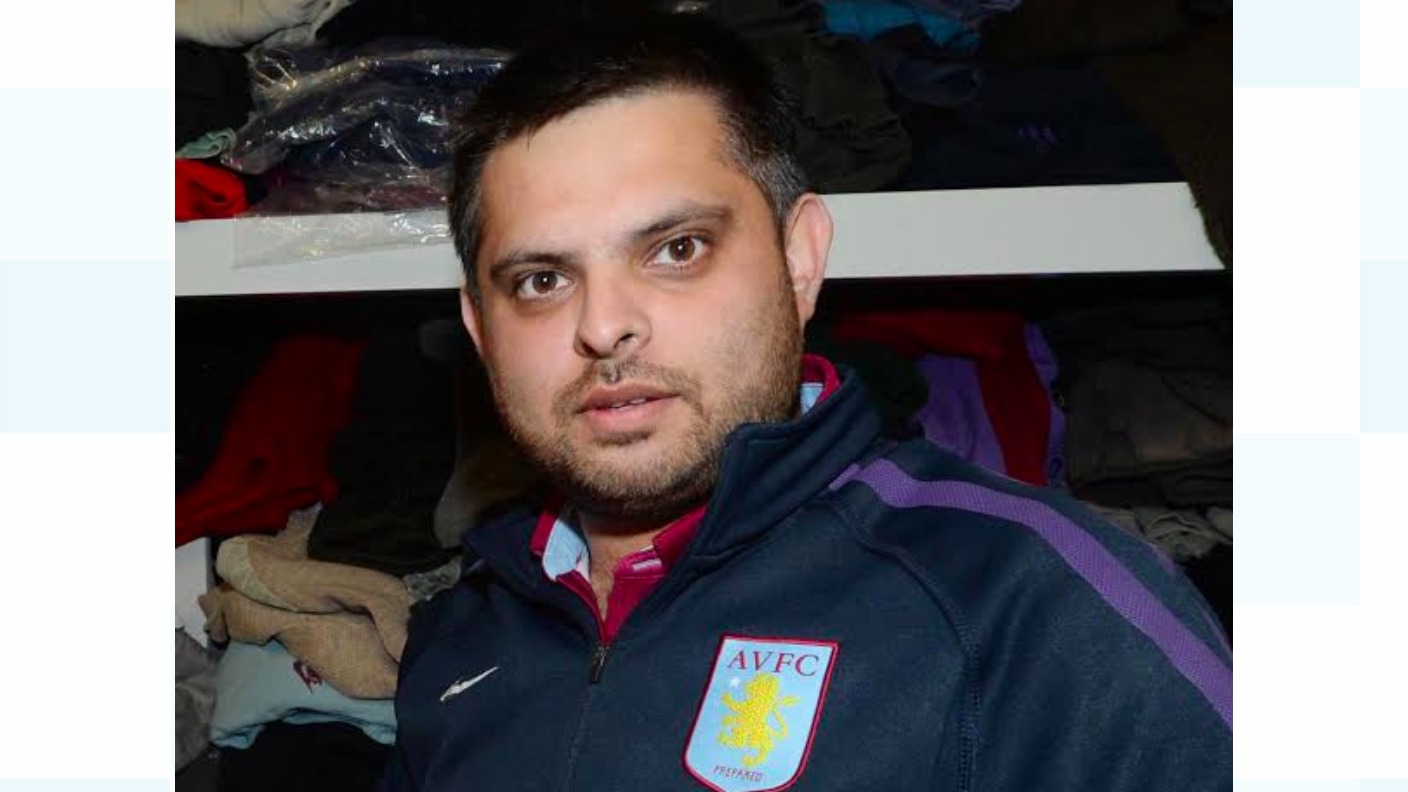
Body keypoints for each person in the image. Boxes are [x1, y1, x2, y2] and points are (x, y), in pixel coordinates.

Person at [383, 12, 1231, 791]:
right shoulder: (462, 635)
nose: (604, 326)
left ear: (800, 260)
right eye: (541, 280)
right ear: (480, 326)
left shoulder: (1038, 607)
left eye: (677, 249)